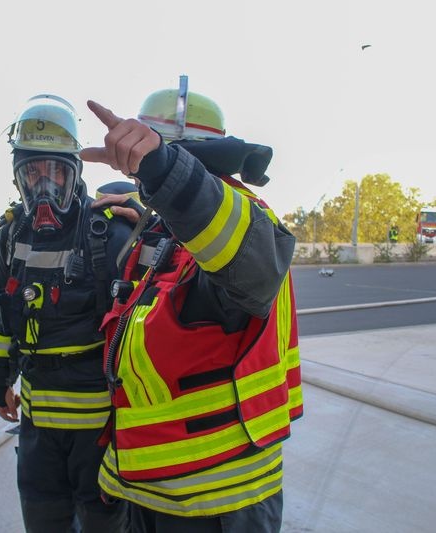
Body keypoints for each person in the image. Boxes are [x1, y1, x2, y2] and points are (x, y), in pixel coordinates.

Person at [83, 79, 303, 532]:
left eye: (147, 168)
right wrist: (151, 210)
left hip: (220, 496)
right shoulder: (174, 226)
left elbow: (251, 264)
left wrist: (163, 171)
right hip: (161, 487)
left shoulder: (241, 220)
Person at [0, 95, 133, 532]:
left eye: (56, 172)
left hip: (99, 431)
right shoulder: (9, 238)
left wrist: (149, 226)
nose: (44, 185)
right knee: (43, 520)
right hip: (37, 432)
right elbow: (5, 322)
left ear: (75, 174)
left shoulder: (110, 231)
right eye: (33, 173)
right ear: (18, 178)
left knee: (104, 524)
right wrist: (0, 382)